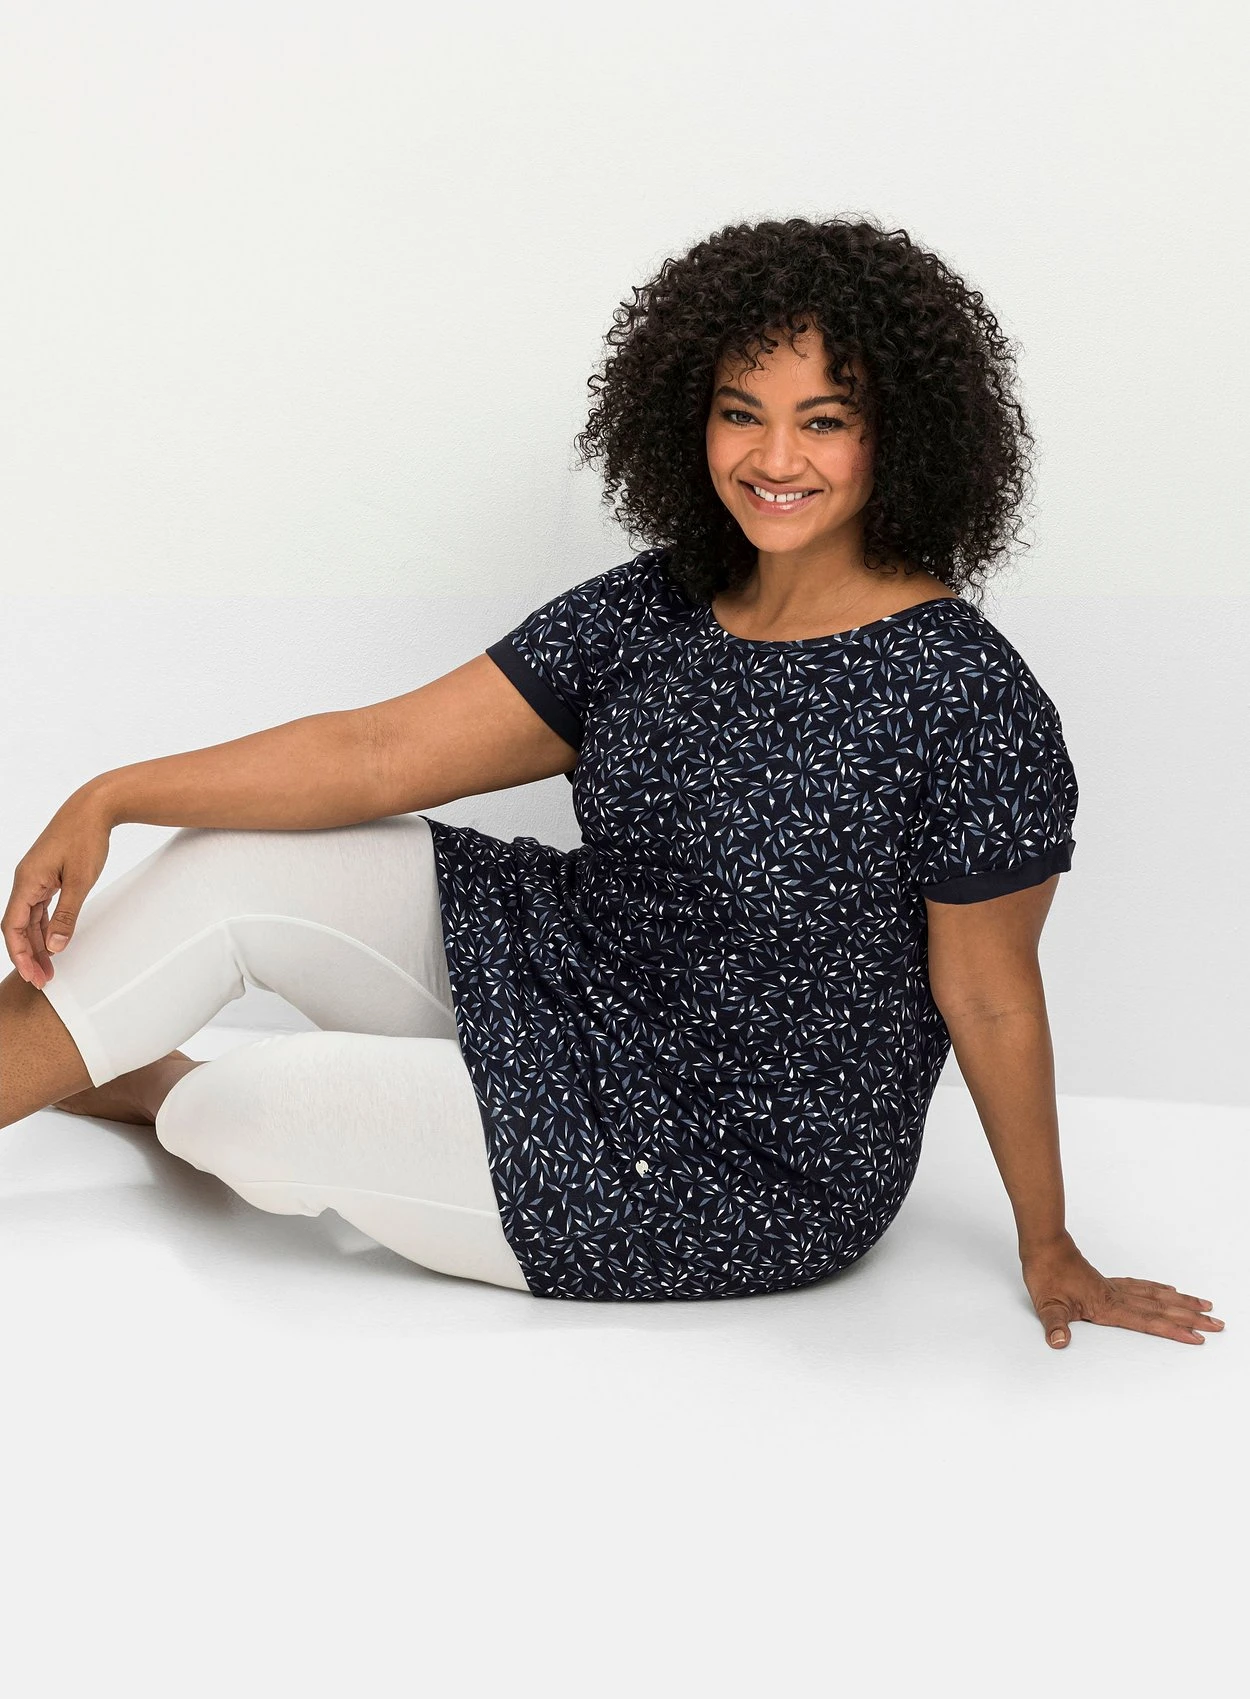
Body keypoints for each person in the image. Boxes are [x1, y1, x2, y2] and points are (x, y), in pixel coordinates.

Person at [0, 214, 1223, 1347]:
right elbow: (378, 752)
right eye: (741, 413)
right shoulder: (656, 606)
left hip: (729, 1160)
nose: (774, 457)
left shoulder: (966, 695)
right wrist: (112, 793)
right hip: (568, 973)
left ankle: (150, 1084)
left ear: (897, 434)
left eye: (823, 420)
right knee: (220, 865)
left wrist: (1049, 1244)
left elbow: (990, 997)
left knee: (246, 1106)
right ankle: (84, 1057)